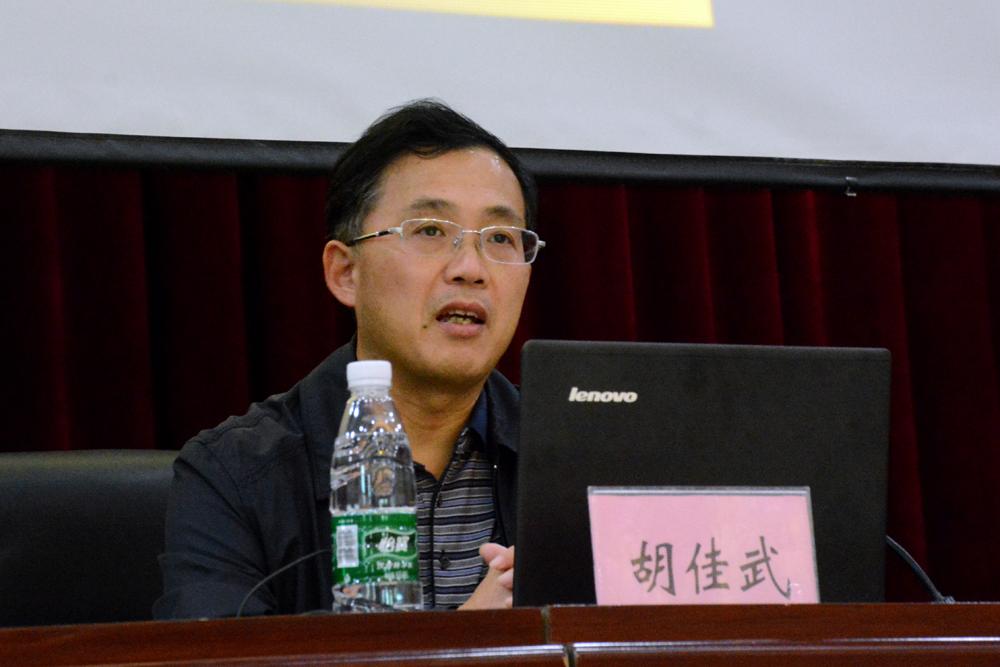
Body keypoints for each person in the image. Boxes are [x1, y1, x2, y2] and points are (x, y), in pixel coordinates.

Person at [154, 100, 543, 618]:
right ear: (345, 273)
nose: (471, 268)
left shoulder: (572, 459)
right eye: (430, 231)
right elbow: (217, 653)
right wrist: (472, 643)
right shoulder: (234, 475)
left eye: (500, 238)